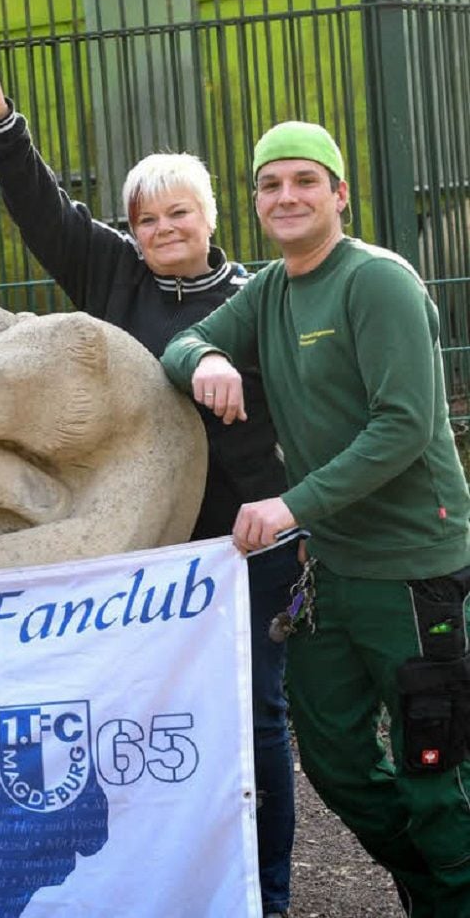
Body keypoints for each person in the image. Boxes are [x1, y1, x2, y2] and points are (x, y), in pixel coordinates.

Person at [0, 63, 298, 918]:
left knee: (256, 718)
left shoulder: (260, 297)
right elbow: (43, 210)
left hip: (244, 546)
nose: (163, 228)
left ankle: (265, 893)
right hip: (142, 551)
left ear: (211, 217)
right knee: (141, 721)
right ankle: (152, 884)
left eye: (178, 212)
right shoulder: (115, 278)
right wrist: (1, 122)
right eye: (146, 218)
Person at [162, 121, 470, 918]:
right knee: (334, 764)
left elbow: (404, 426)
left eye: (305, 180)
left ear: (340, 194)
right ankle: (438, 884)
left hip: (411, 569)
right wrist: (209, 358)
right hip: (330, 570)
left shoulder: (377, 282)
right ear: (256, 202)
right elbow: (181, 341)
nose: (287, 196)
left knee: (436, 772)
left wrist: (290, 504)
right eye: (270, 184)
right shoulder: (269, 289)